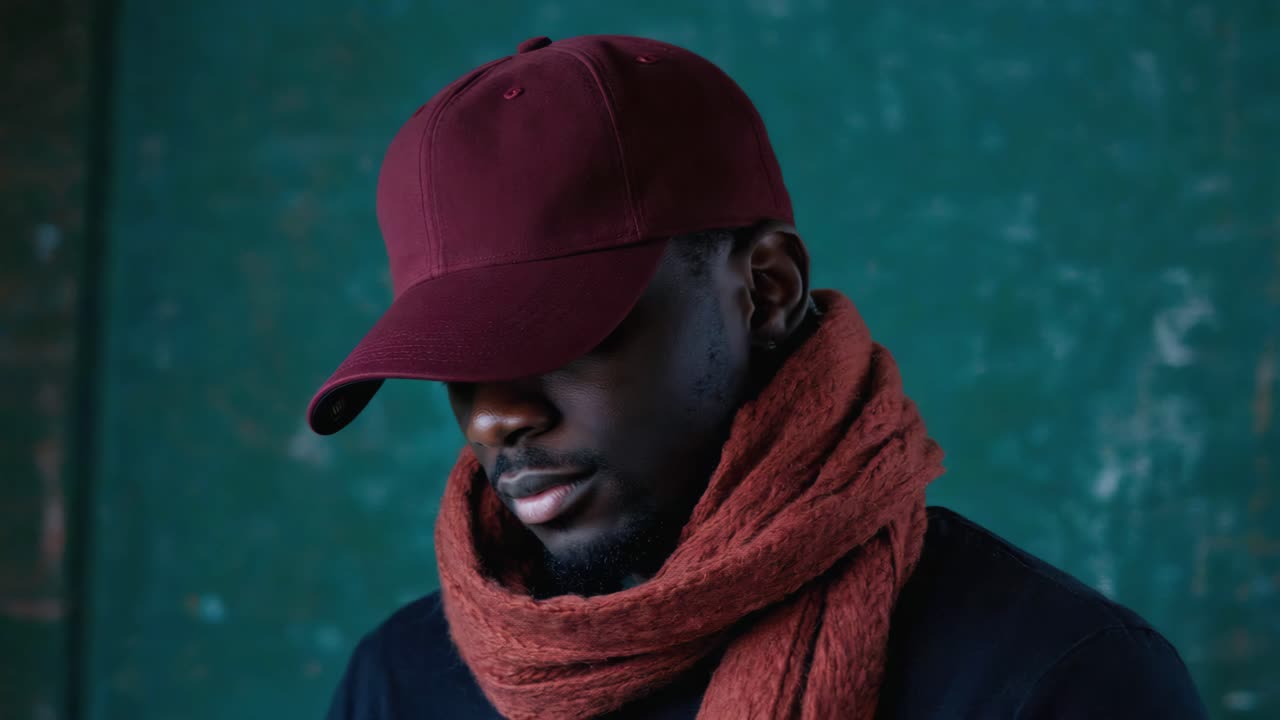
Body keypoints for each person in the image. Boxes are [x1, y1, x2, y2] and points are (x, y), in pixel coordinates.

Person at [308, 34, 1205, 720]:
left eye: (559, 334)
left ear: (767, 289)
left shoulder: (1050, 676)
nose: (492, 417)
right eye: (454, 361)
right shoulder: (401, 682)